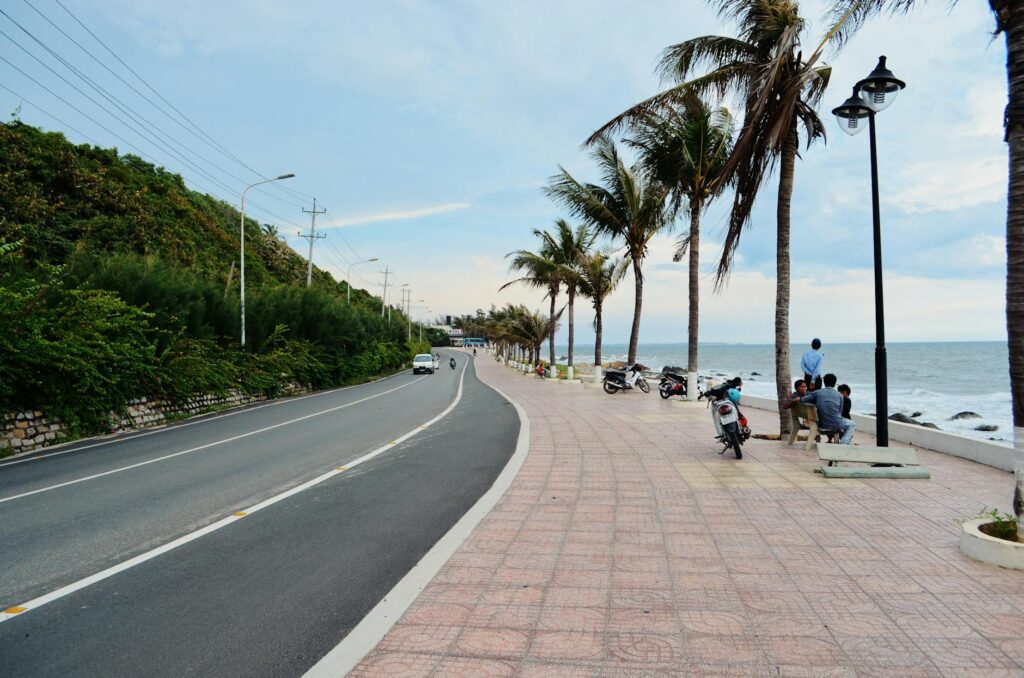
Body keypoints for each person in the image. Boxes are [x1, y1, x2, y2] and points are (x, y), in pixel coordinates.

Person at [799, 373, 854, 444]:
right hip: (835, 424)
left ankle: (843, 441)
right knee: (852, 424)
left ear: (824, 382)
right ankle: (844, 443)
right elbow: (839, 413)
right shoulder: (839, 395)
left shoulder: (818, 392)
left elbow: (803, 399)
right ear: (834, 383)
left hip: (821, 423)